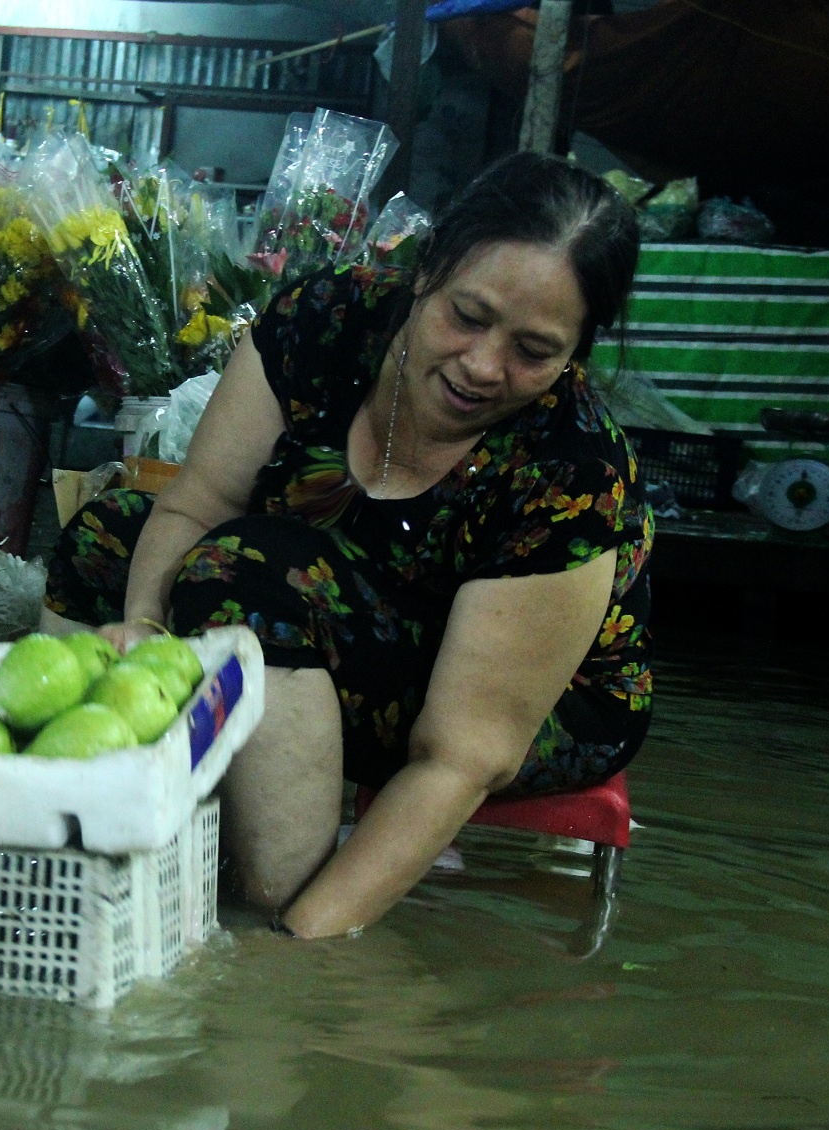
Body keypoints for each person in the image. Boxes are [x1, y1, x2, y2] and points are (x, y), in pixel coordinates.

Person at [44, 153, 652, 939]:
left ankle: (274, 898)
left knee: (248, 575)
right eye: (467, 316)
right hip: (338, 594)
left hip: (522, 700)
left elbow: (465, 754)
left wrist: (306, 952)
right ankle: (72, 843)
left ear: (576, 352)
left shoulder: (571, 469)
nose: (481, 365)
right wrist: (148, 638)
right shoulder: (325, 323)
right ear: (427, 270)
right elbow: (197, 502)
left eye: (533, 352)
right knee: (109, 536)